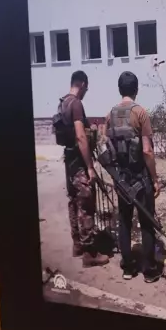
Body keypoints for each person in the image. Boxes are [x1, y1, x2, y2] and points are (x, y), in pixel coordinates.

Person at [104, 71, 162, 282]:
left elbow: (107, 147)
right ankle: (149, 270)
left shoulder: (110, 114)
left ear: (120, 90)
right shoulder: (140, 113)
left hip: (121, 179)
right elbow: (147, 150)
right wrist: (155, 179)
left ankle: (128, 267)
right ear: (136, 89)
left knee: (125, 221)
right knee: (146, 221)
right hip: (140, 178)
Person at [55, 71, 108, 267]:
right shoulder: (76, 103)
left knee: (74, 201)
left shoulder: (63, 103)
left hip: (68, 160)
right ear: (83, 84)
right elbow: (80, 137)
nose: (86, 91)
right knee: (86, 203)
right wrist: (90, 167)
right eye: (87, 87)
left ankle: (77, 244)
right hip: (78, 162)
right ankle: (90, 253)